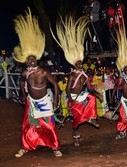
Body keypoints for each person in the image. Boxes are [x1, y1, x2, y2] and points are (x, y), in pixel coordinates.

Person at [14, 9, 62, 158]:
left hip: (44, 101)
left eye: (33, 59)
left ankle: (55, 147)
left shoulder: (43, 71)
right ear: (26, 61)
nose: (31, 61)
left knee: (49, 125)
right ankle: (25, 146)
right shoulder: (25, 73)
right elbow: (21, 82)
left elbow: (55, 85)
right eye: (29, 59)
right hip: (31, 102)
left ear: (37, 59)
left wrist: (56, 100)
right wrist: (23, 95)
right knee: (28, 125)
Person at [51, 16, 99, 147]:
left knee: (92, 99)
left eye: (80, 62)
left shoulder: (84, 74)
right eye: (77, 62)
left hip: (81, 95)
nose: (79, 63)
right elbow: (67, 88)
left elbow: (88, 86)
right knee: (77, 119)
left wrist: (96, 92)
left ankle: (92, 118)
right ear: (74, 63)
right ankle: (76, 135)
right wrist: (70, 99)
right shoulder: (72, 74)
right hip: (72, 97)